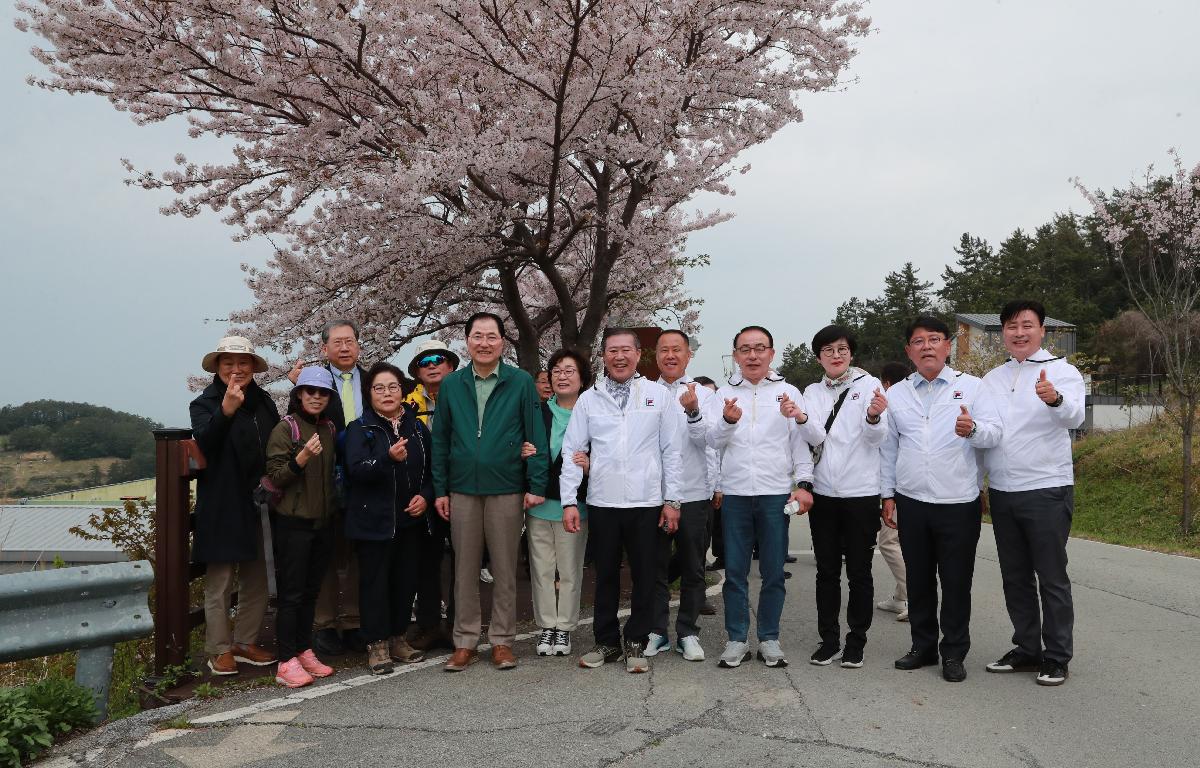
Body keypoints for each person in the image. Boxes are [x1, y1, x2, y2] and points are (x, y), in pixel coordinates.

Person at [881, 316, 1001, 683]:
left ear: (948, 346)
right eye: (919, 341)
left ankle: (954, 652)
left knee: (955, 580)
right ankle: (923, 647)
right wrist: (887, 495)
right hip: (912, 500)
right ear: (909, 350)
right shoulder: (896, 393)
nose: (927, 346)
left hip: (959, 501)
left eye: (935, 339)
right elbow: (888, 448)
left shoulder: (975, 388)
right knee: (918, 579)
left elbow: (995, 434)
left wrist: (974, 430)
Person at [561, 327, 684, 673]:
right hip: (603, 502)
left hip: (646, 503)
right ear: (604, 356)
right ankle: (607, 642)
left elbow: (672, 452)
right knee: (606, 577)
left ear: (637, 354)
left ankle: (636, 642)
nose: (619, 356)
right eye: (612, 350)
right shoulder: (589, 398)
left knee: (645, 576)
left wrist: (672, 500)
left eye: (625, 350)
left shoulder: (659, 396)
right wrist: (570, 500)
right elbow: (573, 450)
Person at [432, 312, 548, 672]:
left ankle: (502, 640)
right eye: (477, 336)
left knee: (504, 568)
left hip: (507, 487)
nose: (484, 343)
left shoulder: (520, 382)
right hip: (462, 489)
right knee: (464, 569)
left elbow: (536, 436)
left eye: (491, 336)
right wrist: (441, 489)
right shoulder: (452, 384)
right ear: (467, 341)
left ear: (502, 342)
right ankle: (464, 641)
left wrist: (536, 483)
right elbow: (440, 440)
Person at [980, 300, 1085, 687]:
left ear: (1042, 330)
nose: (1019, 332)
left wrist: (1054, 399)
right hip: (1004, 490)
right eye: (1011, 326)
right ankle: (1027, 648)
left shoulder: (1061, 371)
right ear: (1002, 333)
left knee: (1051, 577)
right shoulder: (992, 378)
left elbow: (1075, 416)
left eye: (1027, 325)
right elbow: (988, 431)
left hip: (1046, 488)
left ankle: (1057, 656)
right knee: (1015, 576)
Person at [706, 325, 822, 669]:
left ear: (772, 353)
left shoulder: (788, 392)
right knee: (736, 572)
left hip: (774, 495)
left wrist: (804, 483)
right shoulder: (724, 394)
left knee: (772, 572)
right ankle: (737, 639)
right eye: (745, 349)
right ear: (736, 355)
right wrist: (727, 421)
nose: (753, 355)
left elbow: (808, 440)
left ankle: (770, 638)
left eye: (760, 348)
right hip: (737, 495)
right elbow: (711, 441)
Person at [190, 336, 280, 675]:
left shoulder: (265, 402)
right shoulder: (204, 404)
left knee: (257, 574)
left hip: (261, 501)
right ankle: (219, 648)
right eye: (229, 363)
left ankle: (244, 642)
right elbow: (206, 443)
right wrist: (225, 412)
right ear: (217, 367)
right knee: (221, 578)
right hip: (223, 502)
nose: (236, 369)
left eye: (243, 363)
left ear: (254, 368)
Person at [801, 325, 889, 669]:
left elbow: (877, 438)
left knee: (859, 571)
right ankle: (829, 639)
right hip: (823, 494)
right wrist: (801, 417)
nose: (835, 355)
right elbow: (811, 437)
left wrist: (873, 415)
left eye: (841, 349)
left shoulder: (869, 386)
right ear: (819, 356)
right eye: (827, 350)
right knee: (826, 571)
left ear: (851, 353)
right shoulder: (811, 390)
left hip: (860, 493)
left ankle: (856, 640)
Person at [345, 362, 435, 675]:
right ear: (368, 393)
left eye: (393, 387)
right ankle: (377, 644)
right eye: (379, 388)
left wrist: (426, 495)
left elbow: (431, 469)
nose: (386, 393)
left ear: (403, 390)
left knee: (404, 581)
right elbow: (356, 470)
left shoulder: (417, 427)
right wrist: (386, 458)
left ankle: (398, 637)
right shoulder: (360, 429)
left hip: (410, 521)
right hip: (374, 523)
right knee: (375, 584)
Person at [289, 319, 367, 657]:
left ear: (359, 346)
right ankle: (324, 624)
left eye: (350, 341)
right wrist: (297, 386)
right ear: (324, 349)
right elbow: (298, 424)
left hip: (366, 477)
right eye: (338, 342)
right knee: (324, 552)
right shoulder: (314, 386)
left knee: (357, 554)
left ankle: (352, 620)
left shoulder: (374, 379)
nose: (345, 347)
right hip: (325, 476)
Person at [264, 367, 339, 688]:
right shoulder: (286, 429)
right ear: (298, 395)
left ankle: (303, 649)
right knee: (291, 594)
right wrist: (302, 458)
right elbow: (276, 475)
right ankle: (285, 660)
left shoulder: (329, 429)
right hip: (293, 523)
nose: (316, 397)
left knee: (310, 591)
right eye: (310, 392)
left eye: (322, 393)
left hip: (322, 523)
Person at [646, 330, 717, 661]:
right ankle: (657, 631)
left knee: (692, 566)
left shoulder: (704, 394)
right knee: (655, 565)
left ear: (689, 355)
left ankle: (687, 631)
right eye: (664, 350)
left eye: (677, 350)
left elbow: (711, 443)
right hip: (651, 495)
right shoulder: (644, 393)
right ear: (655, 356)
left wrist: (693, 412)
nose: (670, 355)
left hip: (693, 493)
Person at [525, 349, 593, 657]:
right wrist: (522, 453)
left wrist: (593, 464)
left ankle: (564, 628)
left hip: (575, 506)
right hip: (539, 504)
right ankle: (546, 626)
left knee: (569, 570)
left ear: (582, 378)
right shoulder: (538, 412)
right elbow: (525, 448)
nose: (562, 376)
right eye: (556, 371)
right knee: (541, 569)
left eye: (569, 371)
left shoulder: (593, 412)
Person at [404, 339, 461, 652]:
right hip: (424, 493)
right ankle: (428, 625)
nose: (432, 365)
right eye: (424, 362)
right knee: (426, 560)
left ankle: (456, 626)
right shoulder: (406, 403)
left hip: (463, 489)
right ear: (416, 372)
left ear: (451, 365)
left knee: (463, 561)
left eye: (438, 359)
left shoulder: (466, 397)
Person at [875, 361, 912, 623]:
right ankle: (901, 596)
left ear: (886, 383)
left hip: (898, 485)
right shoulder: (911, 398)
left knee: (889, 541)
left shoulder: (891, 404)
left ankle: (913, 596)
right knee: (900, 541)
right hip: (904, 484)